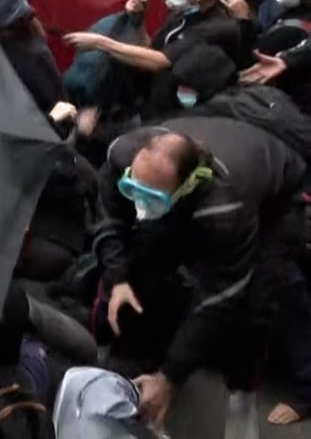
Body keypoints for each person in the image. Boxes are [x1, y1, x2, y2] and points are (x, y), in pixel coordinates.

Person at [91, 118, 306, 430]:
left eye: (150, 197)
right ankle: (134, 361)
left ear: (186, 187)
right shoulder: (121, 156)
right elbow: (111, 218)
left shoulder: (223, 212)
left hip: (278, 199)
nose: (139, 205)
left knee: (256, 304)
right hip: (214, 152)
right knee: (141, 258)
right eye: (132, 188)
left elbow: (218, 296)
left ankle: (241, 399)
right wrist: (119, 279)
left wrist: (169, 377)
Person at [66, 0, 247, 119]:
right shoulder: (182, 13)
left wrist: (102, 43)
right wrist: (138, 22)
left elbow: (160, 61)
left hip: (180, 112)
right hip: (149, 101)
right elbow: (151, 50)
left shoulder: (217, 28)